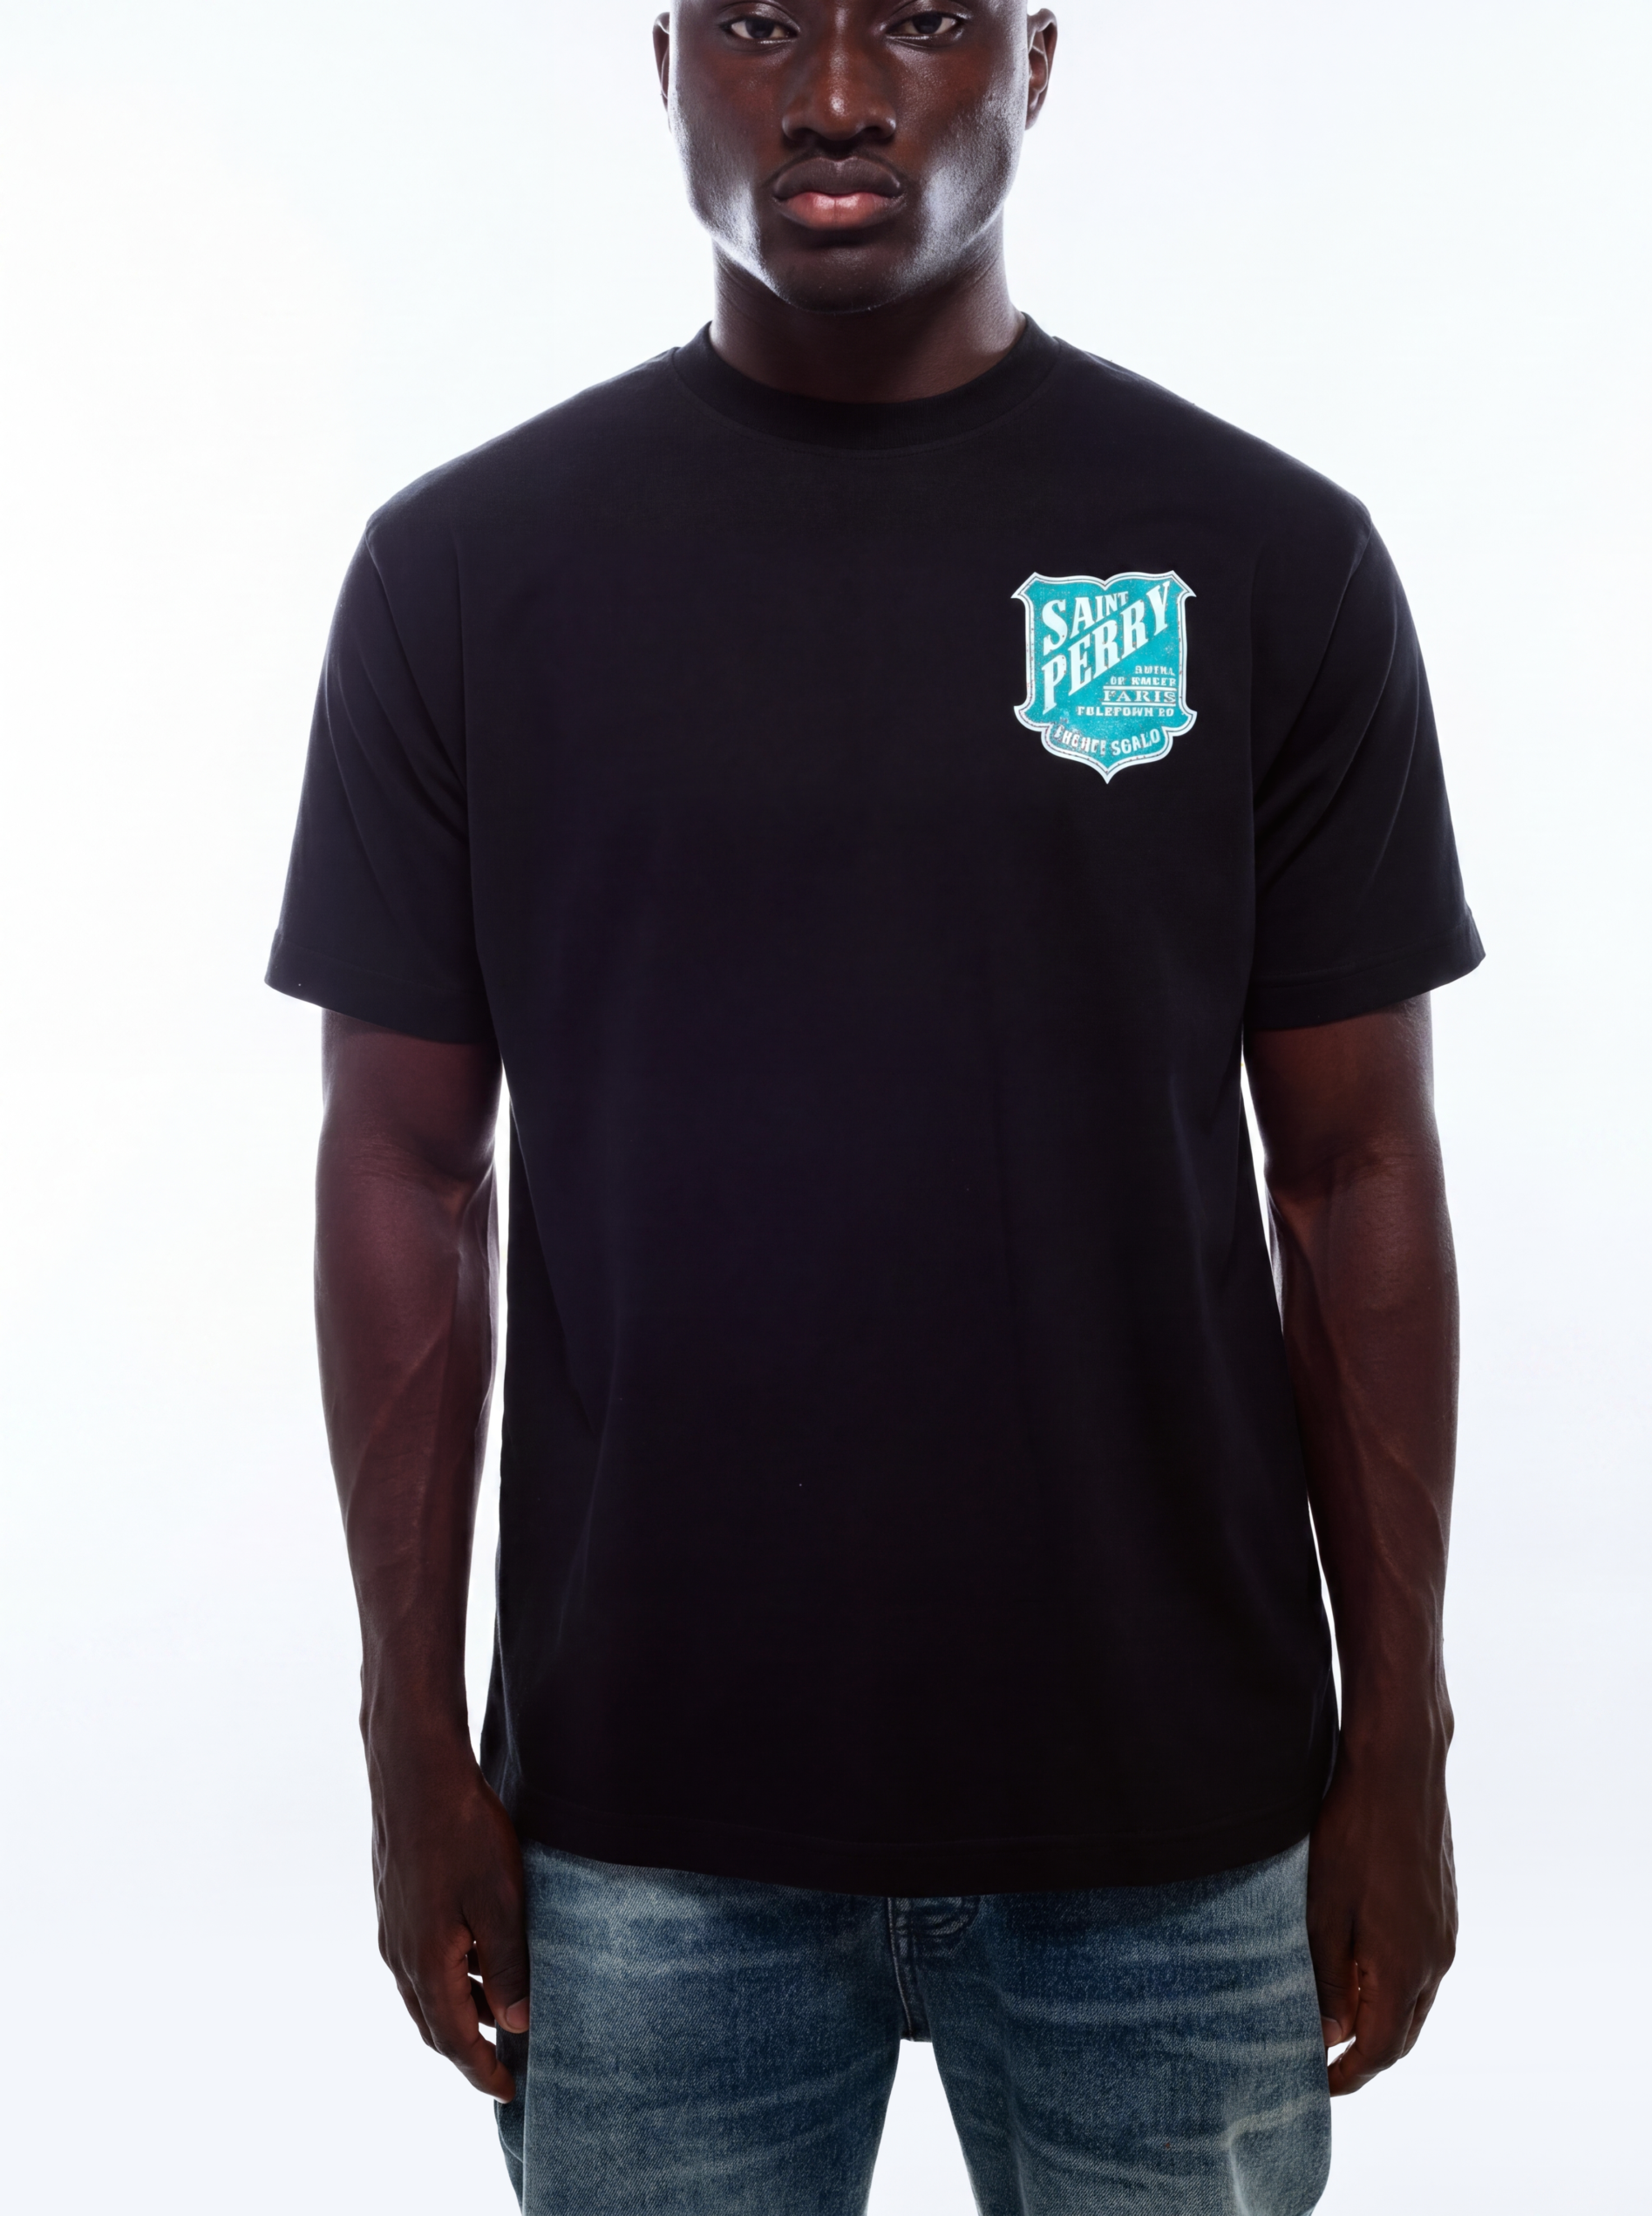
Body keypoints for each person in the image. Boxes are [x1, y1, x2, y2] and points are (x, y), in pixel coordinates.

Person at [268, 6, 1481, 2211]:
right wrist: (406, 1731)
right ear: (664, 61)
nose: (836, 93)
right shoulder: (464, 578)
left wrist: (1399, 1723)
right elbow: (406, 1169)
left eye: (920, 17)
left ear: (1036, 57)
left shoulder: (1257, 555)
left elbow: (1355, 1166)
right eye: (759, 20)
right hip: (644, 1824)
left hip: (1170, 1817)